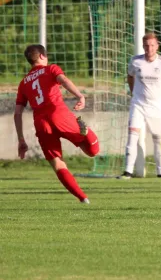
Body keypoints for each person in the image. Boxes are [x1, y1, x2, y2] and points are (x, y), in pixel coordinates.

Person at [14, 45, 100, 203]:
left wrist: (21, 139)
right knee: (92, 151)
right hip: (59, 113)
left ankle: (83, 198)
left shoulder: (23, 83)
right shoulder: (51, 69)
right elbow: (64, 80)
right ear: (41, 56)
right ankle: (85, 132)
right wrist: (80, 96)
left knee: (57, 163)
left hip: (41, 123)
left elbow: (17, 113)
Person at [120, 32, 161, 179]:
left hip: (156, 106)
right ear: (143, 46)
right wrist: (133, 93)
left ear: (157, 46)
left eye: (152, 45)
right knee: (132, 135)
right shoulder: (135, 61)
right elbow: (130, 76)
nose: (149, 48)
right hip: (138, 104)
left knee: (158, 138)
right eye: (146, 45)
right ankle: (127, 171)